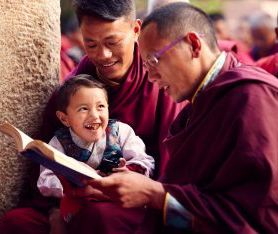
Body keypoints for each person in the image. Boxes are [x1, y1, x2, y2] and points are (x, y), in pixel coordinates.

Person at [0, 0, 184, 233]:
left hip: (133, 203)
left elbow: (175, 167)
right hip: (69, 203)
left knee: (100, 216)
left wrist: (133, 181)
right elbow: (42, 165)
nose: (103, 55)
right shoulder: (71, 91)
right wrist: (55, 211)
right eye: (90, 44)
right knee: (16, 223)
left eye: (112, 42)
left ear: (135, 31)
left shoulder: (161, 85)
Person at [86, 3, 278, 233]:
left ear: (194, 45)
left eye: (155, 61)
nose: (150, 76)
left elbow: (259, 215)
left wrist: (155, 194)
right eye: (145, 65)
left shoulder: (251, 99)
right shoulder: (200, 104)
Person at [39, 74, 154, 233]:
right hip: (80, 203)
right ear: (64, 118)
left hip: (115, 200)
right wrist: (70, 183)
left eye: (100, 107)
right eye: (83, 109)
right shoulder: (59, 142)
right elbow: (45, 179)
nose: (94, 115)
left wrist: (131, 170)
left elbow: (144, 160)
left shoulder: (120, 132)